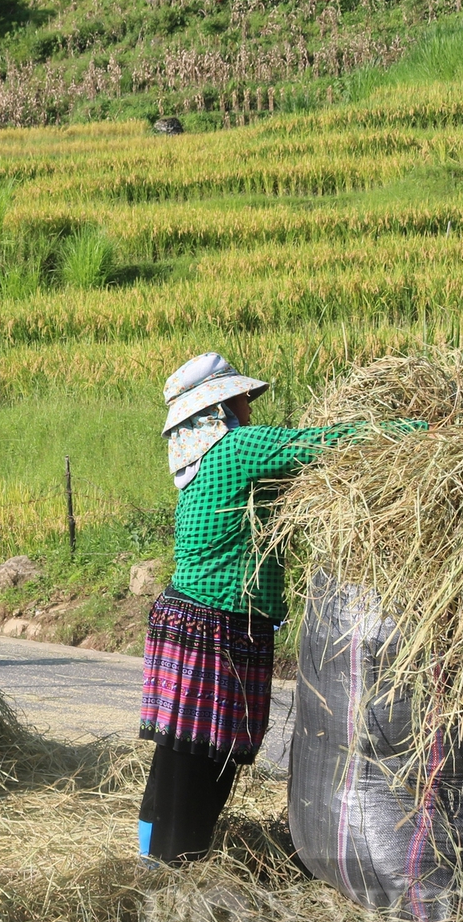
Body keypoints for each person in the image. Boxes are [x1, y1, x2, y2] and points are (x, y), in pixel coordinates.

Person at [139, 352, 420, 865]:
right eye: (241, 398)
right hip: (215, 623)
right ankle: (172, 865)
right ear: (219, 409)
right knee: (200, 758)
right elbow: (323, 444)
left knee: (181, 753)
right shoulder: (237, 449)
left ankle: (158, 858)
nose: (249, 406)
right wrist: (420, 429)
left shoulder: (201, 463)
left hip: (198, 618)